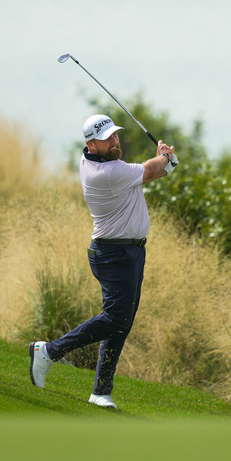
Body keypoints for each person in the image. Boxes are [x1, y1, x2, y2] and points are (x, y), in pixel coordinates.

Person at [29, 113, 176, 409]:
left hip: (129, 253)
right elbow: (150, 170)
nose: (114, 140)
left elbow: (155, 171)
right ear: (91, 144)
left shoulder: (98, 163)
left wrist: (167, 162)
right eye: (107, 138)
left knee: (120, 323)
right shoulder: (108, 173)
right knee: (115, 320)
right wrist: (164, 156)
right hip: (114, 255)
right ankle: (49, 351)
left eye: (115, 135)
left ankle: (100, 391)